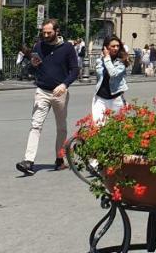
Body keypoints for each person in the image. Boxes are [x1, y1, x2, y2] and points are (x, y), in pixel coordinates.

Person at [16, 19, 80, 176]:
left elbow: (75, 70)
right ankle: (28, 161)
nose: (45, 35)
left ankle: (60, 158)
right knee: (35, 125)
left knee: (61, 127)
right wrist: (33, 64)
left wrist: (64, 84)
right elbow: (32, 68)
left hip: (60, 92)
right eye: (43, 32)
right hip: (42, 91)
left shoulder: (67, 48)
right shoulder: (39, 46)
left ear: (57, 31)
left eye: (49, 33)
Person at [92, 36, 130, 124]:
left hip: (115, 99)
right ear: (106, 47)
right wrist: (105, 58)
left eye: (117, 46)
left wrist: (107, 58)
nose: (116, 48)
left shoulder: (121, 62)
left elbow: (113, 74)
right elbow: (99, 75)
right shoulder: (100, 60)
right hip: (101, 98)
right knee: (97, 125)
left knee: (115, 127)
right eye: (113, 46)